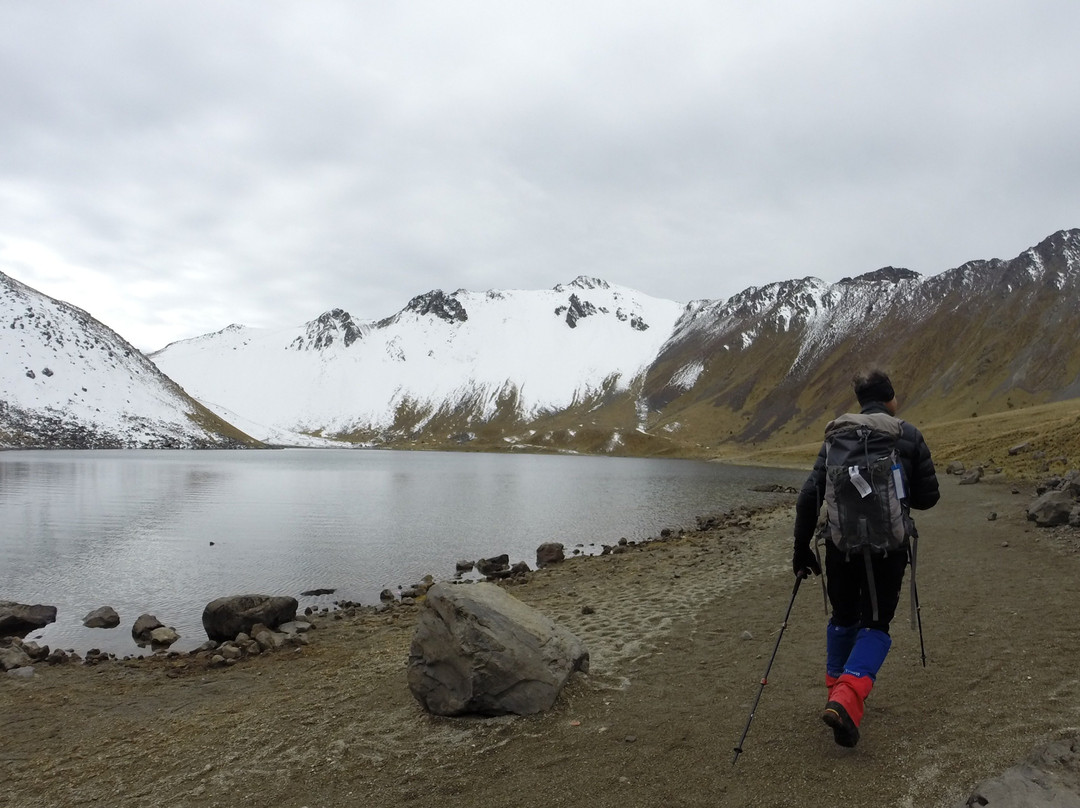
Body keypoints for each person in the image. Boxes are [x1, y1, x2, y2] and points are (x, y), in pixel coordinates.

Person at [791, 368, 939, 747]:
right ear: (892, 398)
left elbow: (810, 495)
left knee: (842, 618)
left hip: (840, 546)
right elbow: (928, 498)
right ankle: (845, 698)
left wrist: (801, 548)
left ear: (860, 402)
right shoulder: (907, 434)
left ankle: (838, 695)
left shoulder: (836, 436)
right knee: (875, 624)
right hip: (888, 550)